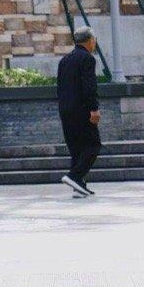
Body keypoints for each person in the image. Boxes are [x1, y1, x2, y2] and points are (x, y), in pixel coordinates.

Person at [56, 27, 101, 197]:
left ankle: (78, 186)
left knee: (77, 148)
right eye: (94, 39)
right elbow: (89, 87)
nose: (95, 43)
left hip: (65, 110)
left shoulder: (65, 60)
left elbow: (60, 88)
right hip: (82, 111)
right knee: (93, 145)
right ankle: (74, 176)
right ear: (90, 41)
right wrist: (94, 109)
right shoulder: (87, 59)